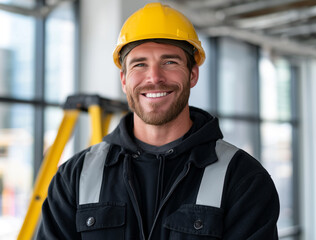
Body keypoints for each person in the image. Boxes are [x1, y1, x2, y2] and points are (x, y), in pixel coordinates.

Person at [36, 2, 280, 239]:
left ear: (192, 74)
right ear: (124, 79)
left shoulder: (243, 179)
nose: (154, 77)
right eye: (139, 64)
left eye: (169, 62)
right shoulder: (75, 177)